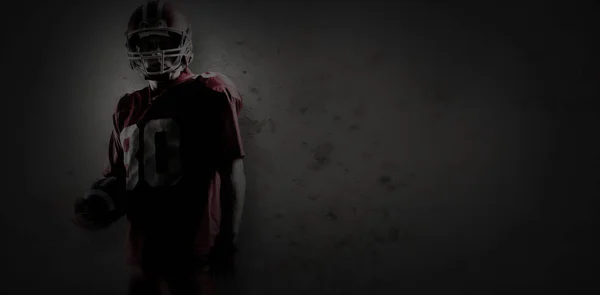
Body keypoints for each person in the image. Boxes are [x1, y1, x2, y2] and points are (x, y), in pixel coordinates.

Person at [72, 1, 247, 294]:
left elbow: (232, 172)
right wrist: (99, 202)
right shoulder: (128, 106)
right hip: (143, 255)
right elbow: (120, 177)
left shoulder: (208, 91)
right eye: (145, 42)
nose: (154, 51)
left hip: (194, 251)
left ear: (184, 43)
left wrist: (228, 241)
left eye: (163, 40)